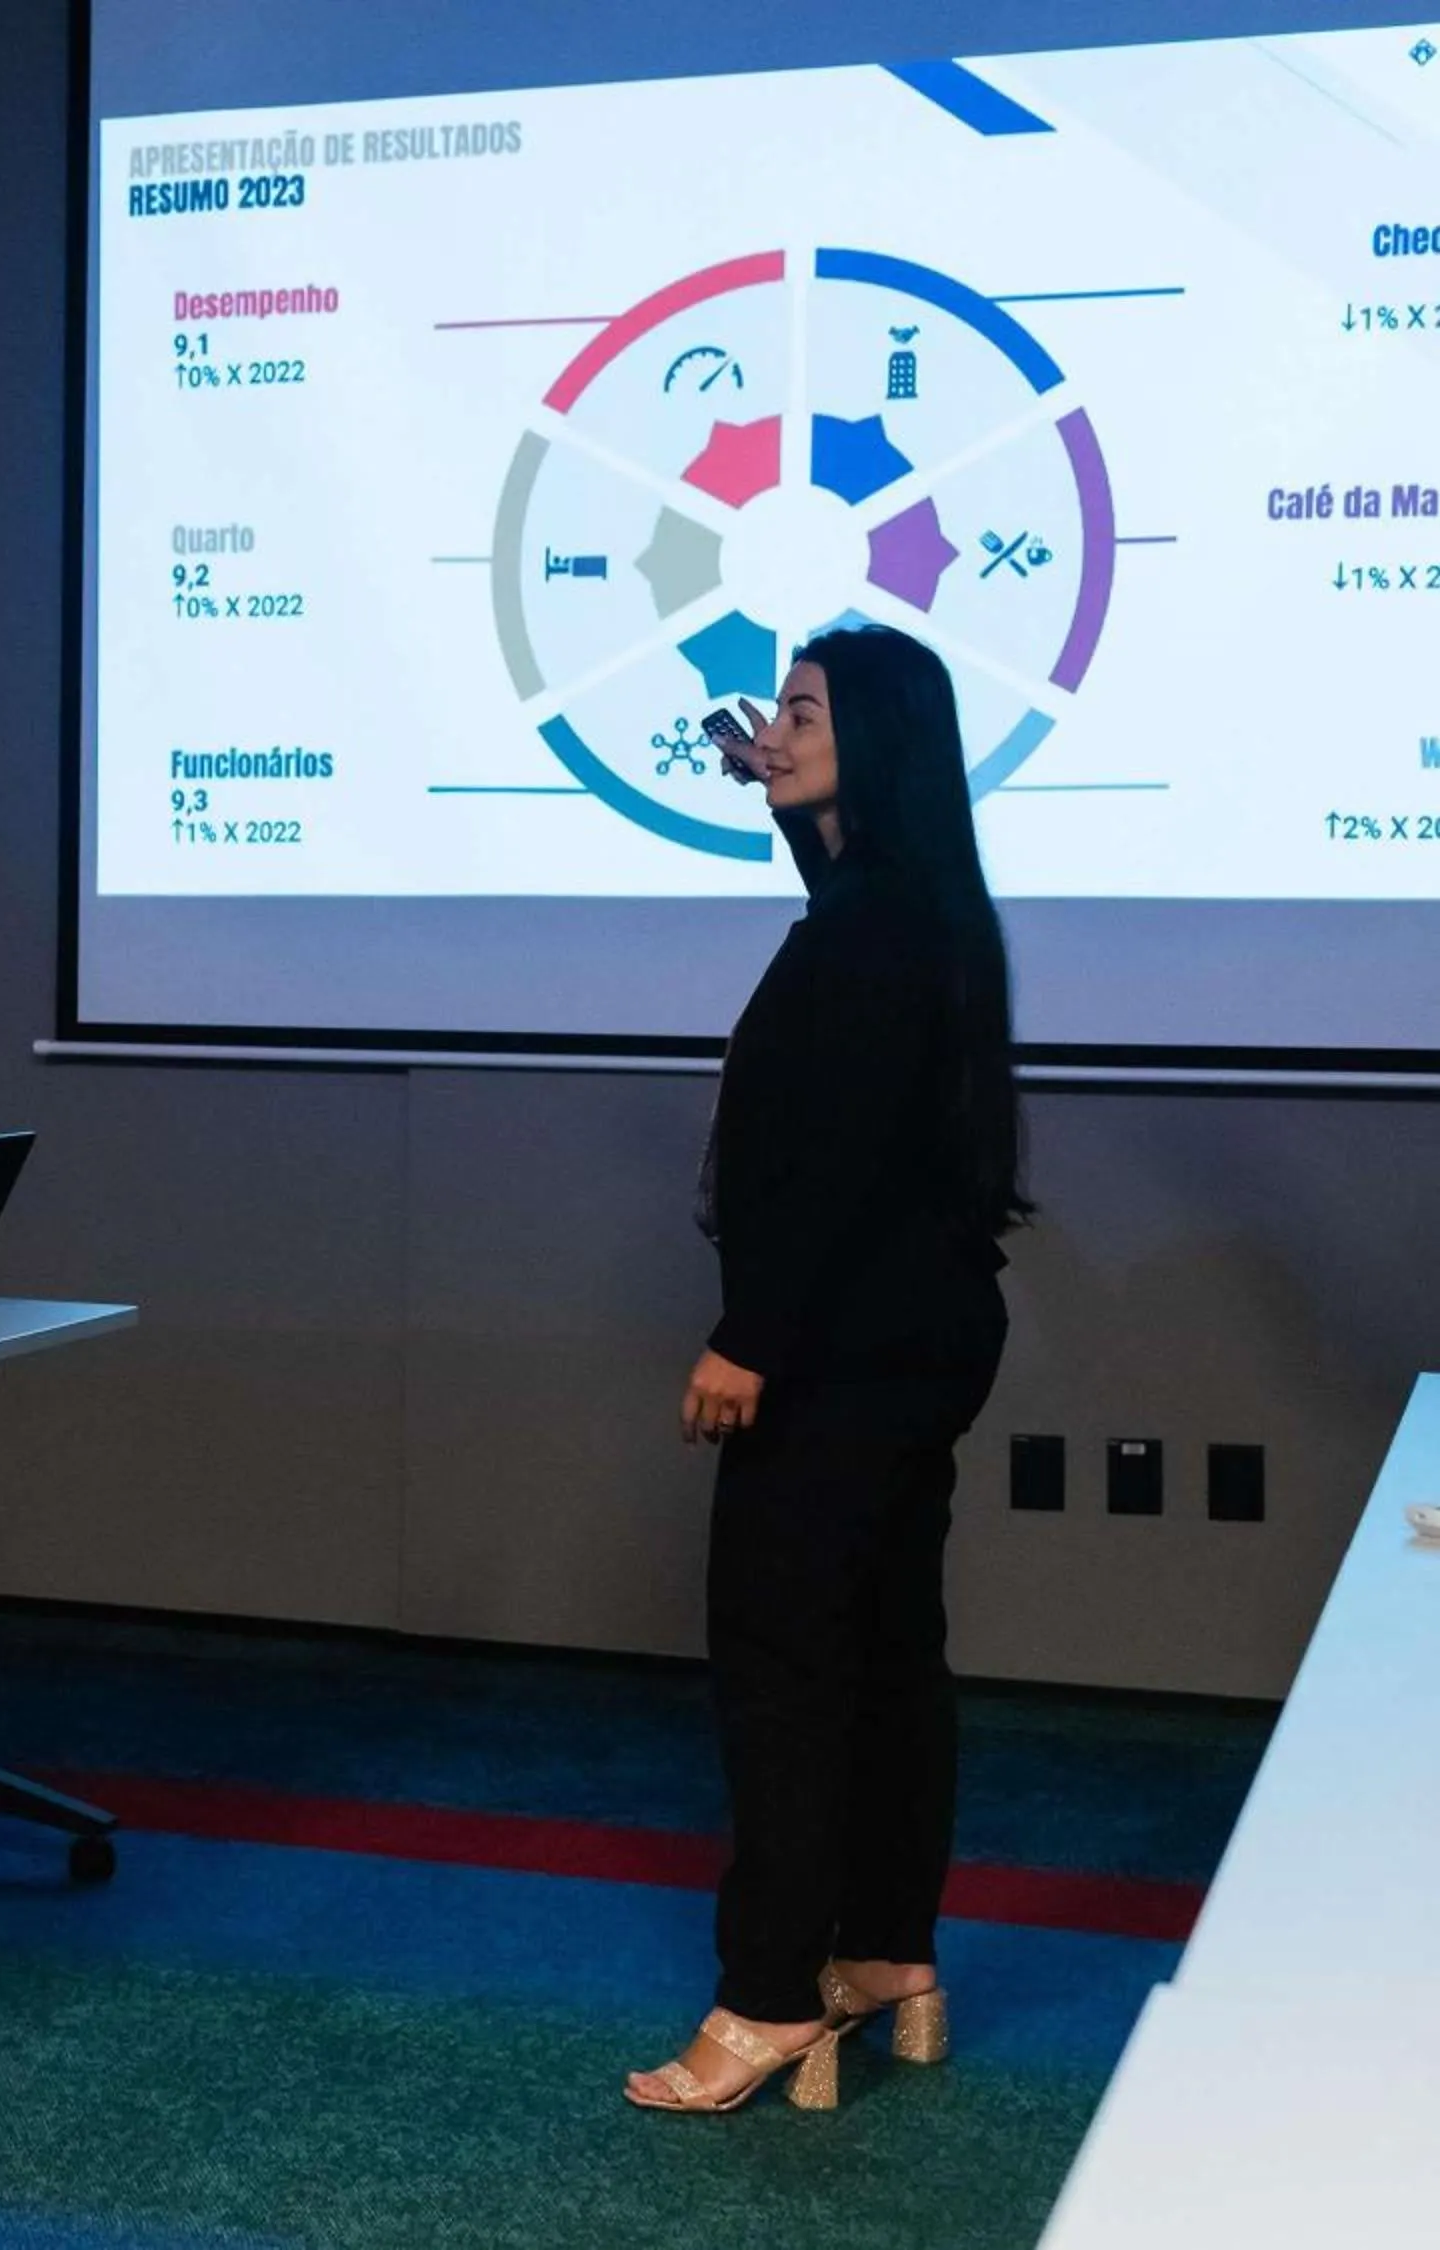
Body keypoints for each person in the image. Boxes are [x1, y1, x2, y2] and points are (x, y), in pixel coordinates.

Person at [626, 626, 1028, 2114]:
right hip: (921, 1335)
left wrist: (751, 1337)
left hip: (840, 1350)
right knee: (887, 1650)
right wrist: (791, 801)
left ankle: (771, 1998)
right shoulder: (912, 903)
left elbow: (834, 1160)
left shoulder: (867, 934)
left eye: (803, 713)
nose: (775, 732)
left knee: (785, 1666)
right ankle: (888, 1954)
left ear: (880, 742)